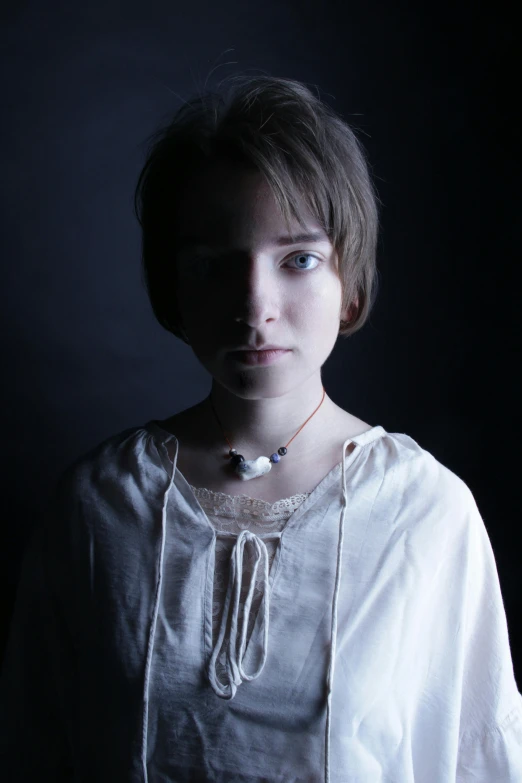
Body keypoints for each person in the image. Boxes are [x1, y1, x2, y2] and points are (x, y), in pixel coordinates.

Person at [1, 74, 521, 782]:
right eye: (213, 265)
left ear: (351, 282)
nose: (255, 304)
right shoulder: (99, 507)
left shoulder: (426, 515)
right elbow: (36, 747)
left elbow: (480, 755)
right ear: (173, 286)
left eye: (298, 259)